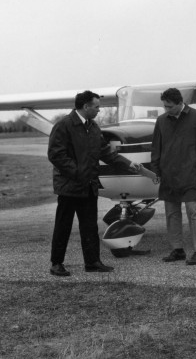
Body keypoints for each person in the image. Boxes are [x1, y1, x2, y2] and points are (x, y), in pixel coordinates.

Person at [47, 90, 140, 276]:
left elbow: (107, 153)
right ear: (85, 106)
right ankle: (56, 263)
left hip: (89, 186)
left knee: (90, 226)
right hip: (69, 188)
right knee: (63, 226)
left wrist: (129, 164)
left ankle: (93, 263)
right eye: (96, 106)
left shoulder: (94, 127)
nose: (99, 110)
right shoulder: (64, 125)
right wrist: (78, 173)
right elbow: (56, 155)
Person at [150, 88, 196, 265]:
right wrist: (156, 171)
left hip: (191, 174)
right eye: (164, 106)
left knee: (193, 212)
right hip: (168, 175)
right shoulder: (161, 121)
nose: (166, 110)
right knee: (172, 213)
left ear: (180, 103)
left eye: (169, 107)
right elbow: (156, 148)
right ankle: (177, 249)